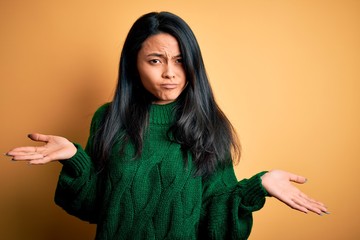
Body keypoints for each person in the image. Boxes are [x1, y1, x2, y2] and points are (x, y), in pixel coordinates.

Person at [6, 11, 328, 240]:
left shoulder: (209, 127)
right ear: (134, 64)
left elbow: (215, 222)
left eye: (179, 60)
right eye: (156, 60)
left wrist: (258, 187)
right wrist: (75, 159)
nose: (170, 73)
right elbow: (97, 207)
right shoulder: (108, 119)